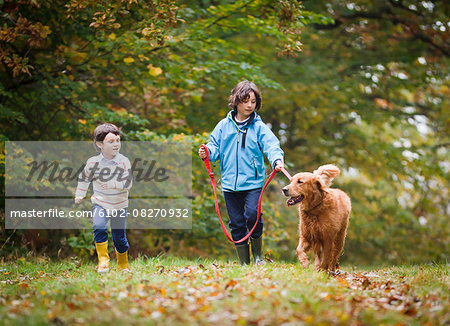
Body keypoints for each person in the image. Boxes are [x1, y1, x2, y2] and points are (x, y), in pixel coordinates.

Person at [198, 80, 284, 265]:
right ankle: (244, 263)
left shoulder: (259, 127)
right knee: (236, 223)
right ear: (236, 101)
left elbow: (271, 145)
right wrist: (208, 152)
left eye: (253, 101)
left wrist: (277, 160)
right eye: (245, 101)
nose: (249, 105)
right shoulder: (223, 126)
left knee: (253, 215)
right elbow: (214, 147)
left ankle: (258, 256)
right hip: (230, 184)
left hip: (253, 183)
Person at [75, 123, 132, 273]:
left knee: (119, 236)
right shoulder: (93, 162)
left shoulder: (123, 161)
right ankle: (103, 261)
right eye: (111, 142)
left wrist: (112, 183)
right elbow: (84, 178)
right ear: (100, 144)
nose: (116, 144)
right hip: (100, 203)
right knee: (98, 227)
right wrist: (80, 193)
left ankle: (123, 263)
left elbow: (128, 183)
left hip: (119, 205)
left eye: (118, 141)